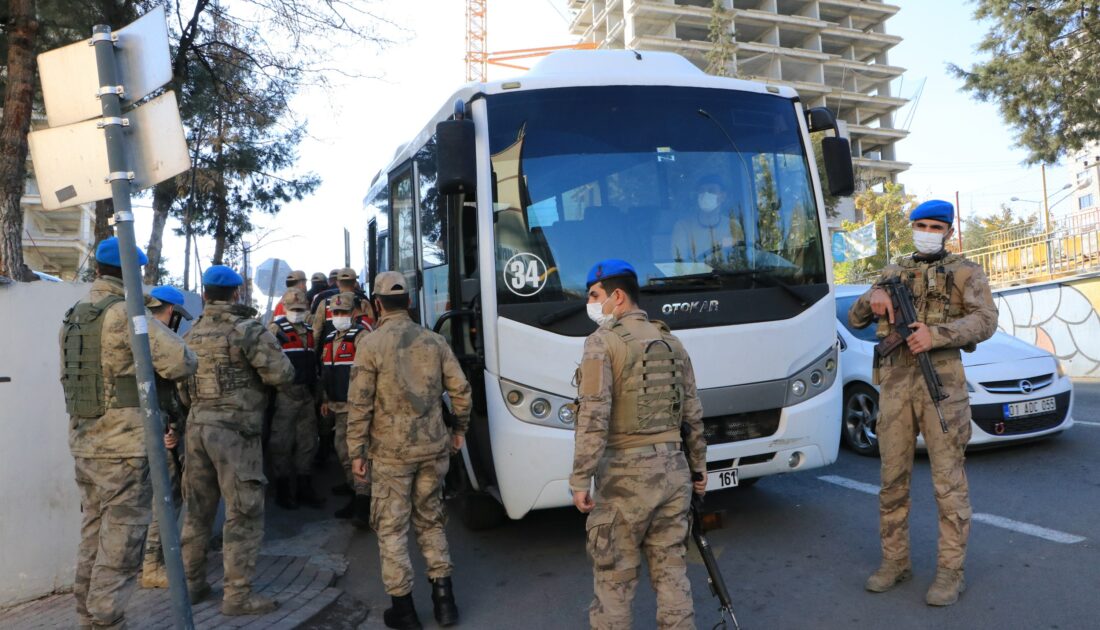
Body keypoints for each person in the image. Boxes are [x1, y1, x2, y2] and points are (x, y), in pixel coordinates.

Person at [847, 200, 998, 607]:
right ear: (911, 226)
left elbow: (986, 320)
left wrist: (939, 333)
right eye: (921, 224)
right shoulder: (892, 271)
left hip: (942, 386)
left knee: (948, 484)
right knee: (892, 480)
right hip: (895, 385)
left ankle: (951, 572)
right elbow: (856, 318)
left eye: (936, 226)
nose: (928, 231)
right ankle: (895, 562)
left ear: (948, 231)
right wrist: (874, 295)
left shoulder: (967, 271)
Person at [59, 238, 197, 628]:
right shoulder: (126, 314)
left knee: (92, 536)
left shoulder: (75, 315)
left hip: (86, 444)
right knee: (121, 543)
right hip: (124, 448)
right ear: (132, 272)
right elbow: (182, 361)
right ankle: (106, 620)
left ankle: (87, 617)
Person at [570, 258, 707, 630]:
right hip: (674, 474)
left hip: (624, 479)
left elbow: (593, 417)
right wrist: (698, 469)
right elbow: (692, 413)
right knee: (672, 575)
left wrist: (580, 479)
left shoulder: (602, 343)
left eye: (594, 295)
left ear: (617, 296)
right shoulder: (672, 342)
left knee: (614, 581)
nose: (591, 303)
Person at [347, 271, 472, 630]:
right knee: (431, 519)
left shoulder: (370, 345)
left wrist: (356, 451)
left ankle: (404, 611)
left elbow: (359, 404)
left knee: (391, 529)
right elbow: (461, 390)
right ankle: (445, 602)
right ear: (410, 302)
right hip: (433, 447)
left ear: (376, 304)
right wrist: (458, 429)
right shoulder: (433, 341)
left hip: (390, 454)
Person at [179, 265, 295, 616]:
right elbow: (282, 374)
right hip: (235, 434)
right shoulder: (247, 329)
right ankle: (238, 597)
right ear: (236, 294)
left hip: (197, 429)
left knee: (197, 512)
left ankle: (192, 585)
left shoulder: (192, 333)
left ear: (204, 295)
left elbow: (183, 390)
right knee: (243, 513)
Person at [141, 285, 195, 590]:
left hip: (151, 430)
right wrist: (165, 431)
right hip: (156, 433)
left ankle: (151, 563)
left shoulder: (137, 335)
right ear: (171, 312)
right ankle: (151, 566)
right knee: (165, 499)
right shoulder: (159, 340)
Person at [267, 287, 325, 510]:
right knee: (281, 443)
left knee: (307, 442)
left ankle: (304, 487)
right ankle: (282, 491)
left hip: (306, 395)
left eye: (301, 309)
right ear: (285, 308)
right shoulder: (275, 330)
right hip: (284, 396)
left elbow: (314, 362)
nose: (298, 313)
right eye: (294, 309)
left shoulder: (309, 330)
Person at [318, 292, 372, 523]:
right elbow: (326, 373)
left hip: (356, 406)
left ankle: (363, 502)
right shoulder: (330, 339)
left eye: (343, 312)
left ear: (353, 313)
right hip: (336, 405)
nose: (338, 316)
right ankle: (355, 491)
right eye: (335, 313)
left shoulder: (361, 337)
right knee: (342, 450)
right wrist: (324, 399)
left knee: (357, 452)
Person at [669, 174, 745, 263]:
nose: (705, 194)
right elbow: (679, 263)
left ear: (723, 196)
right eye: (702, 191)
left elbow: (741, 258)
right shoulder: (683, 226)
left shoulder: (733, 225)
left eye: (711, 191)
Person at [311, 267, 373, 337]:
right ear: (355, 283)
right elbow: (372, 328)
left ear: (337, 283)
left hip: (329, 346)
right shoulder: (363, 303)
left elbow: (316, 332)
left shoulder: (324, 303)